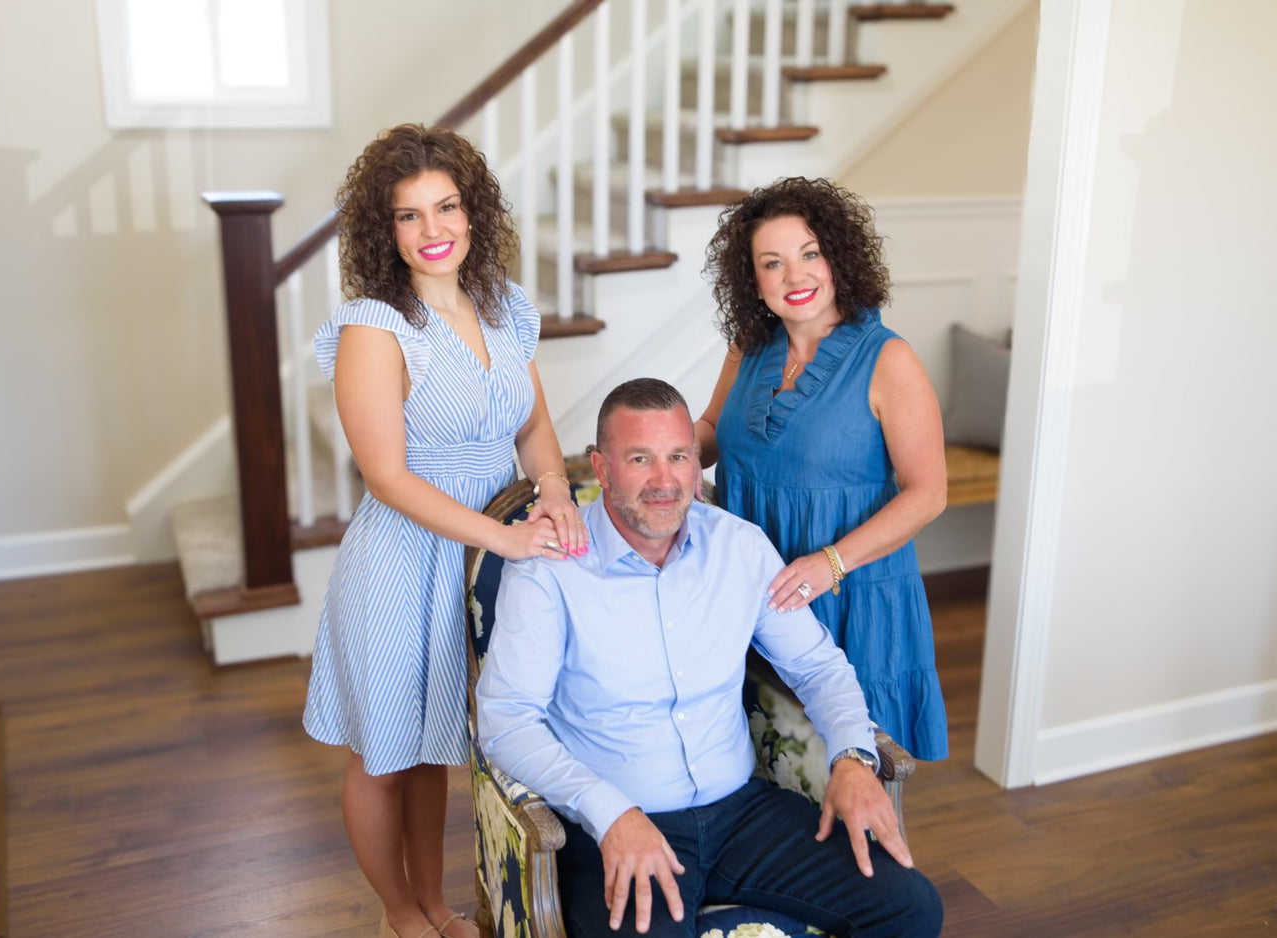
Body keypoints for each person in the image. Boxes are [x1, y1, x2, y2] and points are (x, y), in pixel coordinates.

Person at [477, 378, 943, 938]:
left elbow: (817, 666)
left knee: (911, 908)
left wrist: (852, 757)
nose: (664, 480)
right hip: (621, 822)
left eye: (678, 457)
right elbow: (505, 721)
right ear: (601, 470)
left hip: (742, 812)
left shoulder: (739, 546)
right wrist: (609, 813)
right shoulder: (549, 568)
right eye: (640, 459)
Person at [303, 123, 590, 938]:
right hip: (403, 558)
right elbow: (386, 477)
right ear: (382, 231)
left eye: (447, 207)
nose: (434, 232)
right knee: (383, 757)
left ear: (474, 212)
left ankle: (435, 903)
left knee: (438, 748)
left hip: (481, 559)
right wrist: (502, 539)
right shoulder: (374, 325)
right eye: (409, 215)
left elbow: (533, 426)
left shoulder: (503, 306)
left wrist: (554, 490)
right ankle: (399, 913)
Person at [695, 177, 950, 761]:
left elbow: (928, 493)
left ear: (838, 258)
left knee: (856, 770)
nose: (796, 276)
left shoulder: (889, 359)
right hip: (754, 588)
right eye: (773, 263)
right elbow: (711, 434)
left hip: (852, 593)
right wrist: (664, 455)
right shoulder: (748, 348)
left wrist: (829, 565)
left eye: (810, 253)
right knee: (768, 765)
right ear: (753, 281)